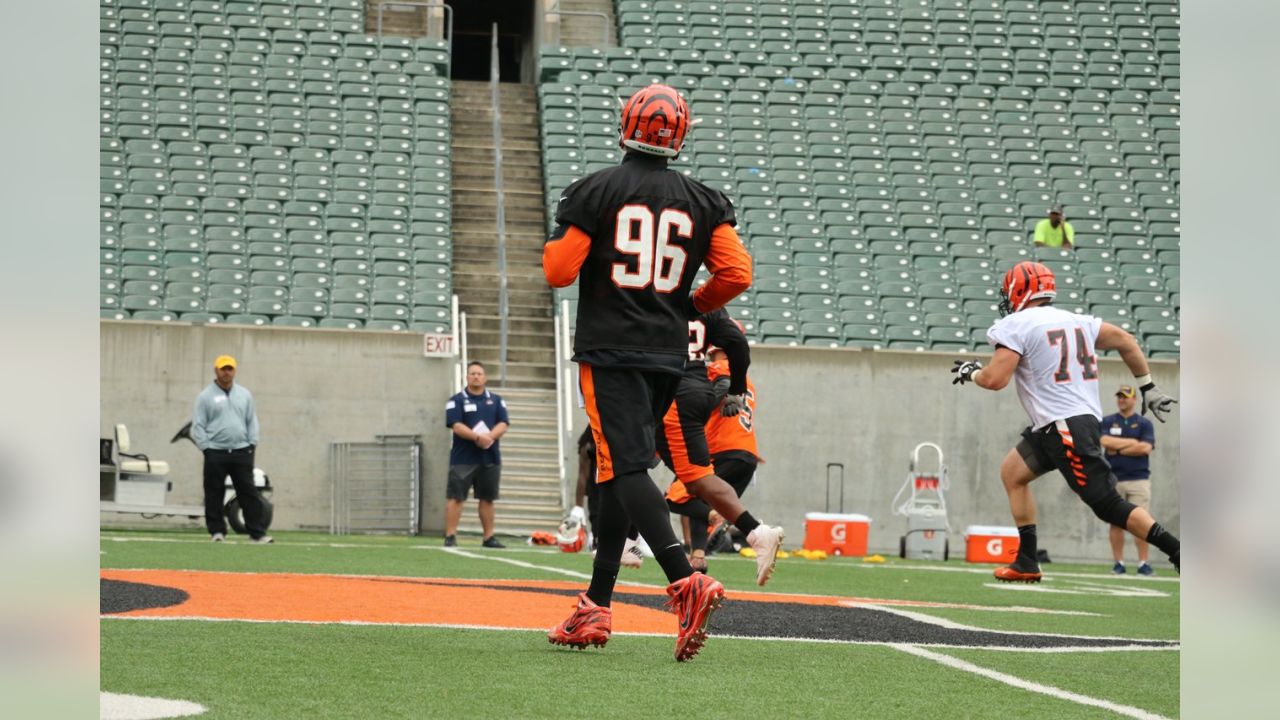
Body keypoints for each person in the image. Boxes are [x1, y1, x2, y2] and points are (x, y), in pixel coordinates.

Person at [541, 84, 752, 662]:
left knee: (626, 465)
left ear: (625, 124)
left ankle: (685, 581)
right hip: (667, 354)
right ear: (680, 134)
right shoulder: (704, 199)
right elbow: (736, 273)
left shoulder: (598, 188)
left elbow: (559, 272)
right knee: (615, 469)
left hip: (612, 349)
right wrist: (693, 304)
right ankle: (596, 605)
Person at [951, 261, 1180, 582]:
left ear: (1021, 289)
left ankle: (1178, 551)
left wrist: (970, 371)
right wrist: (1148, 387)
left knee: (1107, 505)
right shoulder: (1078, 321)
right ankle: (1027, 561)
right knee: (1012, 472)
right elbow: (1126, 340)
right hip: (1057, 425)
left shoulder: (1017, 324)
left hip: (1064, 426)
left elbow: (994, 379)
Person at [656, 311, 782, 580]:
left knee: (675, 496)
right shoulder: (748, 382)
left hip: (724, 450)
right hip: (745, 454)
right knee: (703, 494)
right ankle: (698, 556)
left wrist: (707, 401)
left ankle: (738, 524)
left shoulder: (717, 369)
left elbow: (721, 385)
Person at [191, 354, 271, 544]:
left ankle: (257, 533)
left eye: (230, 369)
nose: (227, 372)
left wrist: (252, 443)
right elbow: (198, 425)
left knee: (248, 492)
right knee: (214, 492)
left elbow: (251, 420)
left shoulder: (244, 394)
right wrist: (206, 448)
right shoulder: (205, 396)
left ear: (234, 371)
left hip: (242, 451)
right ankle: (217, 532)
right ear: (216, 370)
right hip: (215, 452)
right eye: (223, 369)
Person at [443, 361, 510, 548]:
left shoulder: (496, 400)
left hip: (489, 458)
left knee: (487, 498)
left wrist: (489, 436)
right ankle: (450, 536)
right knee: (456, 497)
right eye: (472, 373)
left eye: (479, 374)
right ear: (466, 377)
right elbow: (455, 425)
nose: (476, 377)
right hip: (462, 459)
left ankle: (488, 537)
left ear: (485, 377)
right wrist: (476, 437)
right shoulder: (455, 400)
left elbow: (503, 423)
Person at [1101, 384, 1158, 575]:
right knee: (1116, 523)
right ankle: (1119, 563)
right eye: (1119, 396)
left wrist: (1117, 448)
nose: (1122, 400)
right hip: (1113, 479)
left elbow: (1145, 448)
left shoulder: (1144, 423)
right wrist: (1131, 443)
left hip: (1138, 479)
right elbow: (1103, 441)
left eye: (1125, 396)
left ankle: (1143, 563)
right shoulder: (1108, 421)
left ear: (1134, 399)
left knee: (1141, 523)